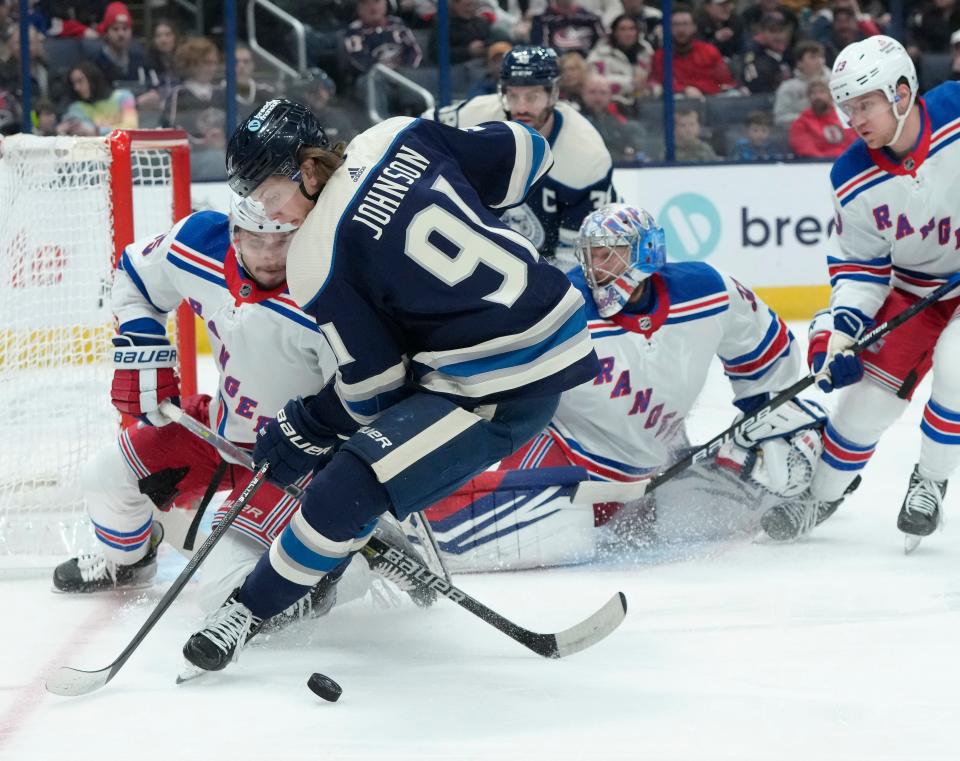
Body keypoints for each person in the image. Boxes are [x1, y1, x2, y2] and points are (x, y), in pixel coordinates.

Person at [179, 98, 600, 672]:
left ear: (306, 169)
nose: (264, 209)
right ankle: (368, 531)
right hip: (553, 329)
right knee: (358, 465)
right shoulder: (396, 134)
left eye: (268, 192)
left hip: (496, 388)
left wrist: (306, 423)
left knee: (342, 488)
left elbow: (374, 386)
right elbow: (528, 152)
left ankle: (249, 610)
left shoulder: (313, 258)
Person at [50, 195, 419, 617]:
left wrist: (341, 496)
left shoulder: (334, 297)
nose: (267, 255)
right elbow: (136, 273)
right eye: (255, 239)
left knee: (226, 601)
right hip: (224, 430)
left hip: (301, 462)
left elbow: (370, 403)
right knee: (104, 477)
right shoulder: (200, 244)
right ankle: (129, 562)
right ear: (234, 233)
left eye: (282, 240)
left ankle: (351, 559)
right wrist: (142, 346)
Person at [423, 203, 838, 571]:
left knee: (786, 436)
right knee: (519, 533)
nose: (595, 267)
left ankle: (810, 495)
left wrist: (763, 414)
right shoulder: (560, 305)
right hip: (571, 458)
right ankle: (410, 521)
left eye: (608, 254)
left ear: (645, 252)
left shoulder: (707, 290)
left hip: (663, 462)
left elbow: (765, 347)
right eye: (590, 256)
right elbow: (488, 374)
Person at [761, 35, 960, 547]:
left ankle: (931, 482)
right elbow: (861, 266)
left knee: (958, 366)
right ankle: (821, 495)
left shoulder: (957, 111)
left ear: (900, 92)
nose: (856, 119)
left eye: (865, 104)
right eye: (849, 108)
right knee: (864, 406)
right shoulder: (851, 173)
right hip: (915, 292)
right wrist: (842, 331)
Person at [426, 45, 616, 269]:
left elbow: (575, 260)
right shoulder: (476, 115)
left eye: (532, 96)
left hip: (547, 263)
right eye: (513, 95)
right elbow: (419, 131)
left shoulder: (586, 155)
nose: (521, 108)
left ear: (553, 94)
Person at [650, 4, 736, 97]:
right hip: (678, 103)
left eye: (685, 24)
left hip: (711, 100)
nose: (681, 30)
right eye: (676, 25)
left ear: (694, 27)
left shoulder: (709, 51)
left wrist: (700, 88)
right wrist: (684, 89)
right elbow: (659, 84)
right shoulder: (660, 56)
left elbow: (725, 82)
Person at [58, 61, 137, 136]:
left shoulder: (124, 97)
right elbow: (84, 130)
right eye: (73, 83)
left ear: (93, 79)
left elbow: (131, 128)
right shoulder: (76, 108)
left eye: (80, 81)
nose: (76, 88)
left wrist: (97, 131)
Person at [787, 78, 856, 158]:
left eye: (822, 92)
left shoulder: (846, 118)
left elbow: (856, 145)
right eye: (813, 93)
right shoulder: (800, 124)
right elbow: (807, 151)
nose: (818, 96)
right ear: (808, 97)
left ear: (830, 95)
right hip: (818, 167)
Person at [773, 40, 831, 127]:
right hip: (804, 134)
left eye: (821, 57)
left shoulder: (835, 81)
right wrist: (809, 119)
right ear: (799, 63)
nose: (819, 61)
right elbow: (780, 118)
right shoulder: (788, 88)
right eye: (813, 57)